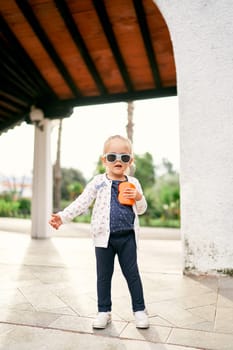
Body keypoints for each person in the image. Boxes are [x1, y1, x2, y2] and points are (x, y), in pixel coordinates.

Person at [49, 135, 149, 329]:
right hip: (104, 238)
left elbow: (142, 208)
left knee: (132, 274)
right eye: (112, 157)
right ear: (104, 160)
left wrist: (138, 196)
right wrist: (62, 217)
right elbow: (82, 202)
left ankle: (139, 311)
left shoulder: (134, 183)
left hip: (128, 237)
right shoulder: (98, 182)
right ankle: (104, 311)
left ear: (131, 160)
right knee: (104, 275)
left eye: (124, 157)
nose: (118, 161)